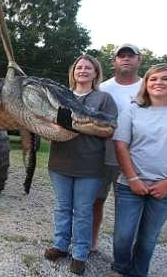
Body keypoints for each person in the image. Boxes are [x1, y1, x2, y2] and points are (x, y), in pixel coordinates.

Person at [108, 64, 167, 277]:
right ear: (146, 84)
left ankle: (138, 273)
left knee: (147, 237)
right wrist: (133, 178)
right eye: (153, 79)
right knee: (123, 236)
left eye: (165, 79)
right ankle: (120, 268)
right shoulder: (132, 110)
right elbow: (120, 146)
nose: (158, 83)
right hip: (130, 185)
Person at [44, 55, 118, 275]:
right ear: (73, 71)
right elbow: (49, 123)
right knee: (62, 207)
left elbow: (109, 127)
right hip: (59, 163)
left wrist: (70, 126)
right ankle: (60, 245)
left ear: (96, 74)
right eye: (79, 67)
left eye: (88, 67)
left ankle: (80, 254)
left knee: (84, 211)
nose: (83, 70)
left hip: (90, 165)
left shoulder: (104, 99)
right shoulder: (61, 96)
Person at [92, 44, 143, 252]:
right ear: (114, 61)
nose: (126, 59)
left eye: (131, 56)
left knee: (128, 206)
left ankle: (124, 251)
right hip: (103, 154)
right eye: (121, 56)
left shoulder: (146, 88)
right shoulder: (103, 88)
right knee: (97, 200)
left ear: (139, 60)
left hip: (135, 155)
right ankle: (91, 242)